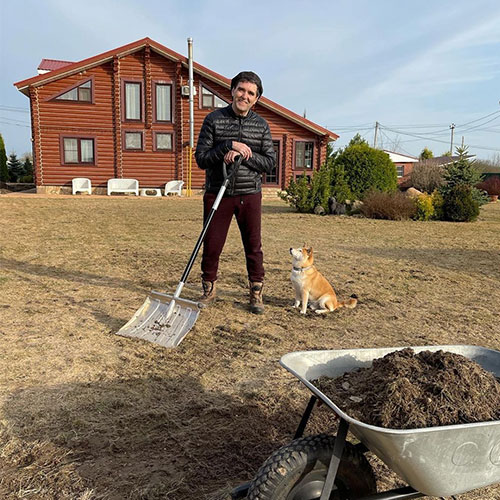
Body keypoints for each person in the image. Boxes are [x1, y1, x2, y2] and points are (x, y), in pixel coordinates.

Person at [195, 71, 275, 314]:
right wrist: (226, 146)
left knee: (253, 245)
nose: (245, 96)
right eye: (241, 90)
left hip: (250, 193)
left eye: (251, 93)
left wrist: (243, 155)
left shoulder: (261, 126)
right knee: (212, 243)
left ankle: (256, 291)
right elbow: (201, 158)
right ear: (232, 91)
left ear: (257, 99)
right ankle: (209, 288)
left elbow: (270, 162)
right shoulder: (214, 120)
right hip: (218, 191)